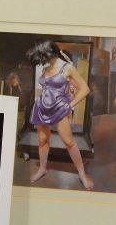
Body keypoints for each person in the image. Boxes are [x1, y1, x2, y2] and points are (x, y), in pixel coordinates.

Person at [27, 40, 94, 190]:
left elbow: (84, 89)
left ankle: (82, 174)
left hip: (59, 108)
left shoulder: (67, 67)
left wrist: (70, 105)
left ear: (49, 53)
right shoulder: (46, 68)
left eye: (42, 56)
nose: (41, 61)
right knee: (42, 140)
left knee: (69, 142)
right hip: (42, 107)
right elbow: (49, 88)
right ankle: (42, 169)